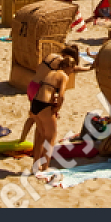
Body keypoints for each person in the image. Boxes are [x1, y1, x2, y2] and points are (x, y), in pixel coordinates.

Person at [27, 47, 77, 175]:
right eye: (72, 69)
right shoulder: (63, 76)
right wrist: (56, 108)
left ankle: (35, 166)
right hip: (44, 106)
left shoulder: (50, 73)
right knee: (50, 137)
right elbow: (61, 95)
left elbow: (45, 89)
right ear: (69, 67)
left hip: (35, 104)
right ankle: (45, 168)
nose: (72, 72)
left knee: (40, 136)